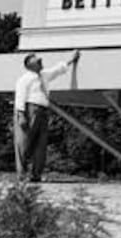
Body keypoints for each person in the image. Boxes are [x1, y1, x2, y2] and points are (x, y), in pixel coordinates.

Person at [14, 50, 80, 182]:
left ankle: (36, 174)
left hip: (43, 109)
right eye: (37, 61)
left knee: (40, 143)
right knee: (24, 142)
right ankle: (22, 174)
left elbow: (58, 69)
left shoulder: (44, 75)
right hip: (29, 108)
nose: (40, 62)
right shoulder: (25, 79)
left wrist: (71, 60)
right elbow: (20, 96)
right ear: (29, 65)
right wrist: (21, 114)